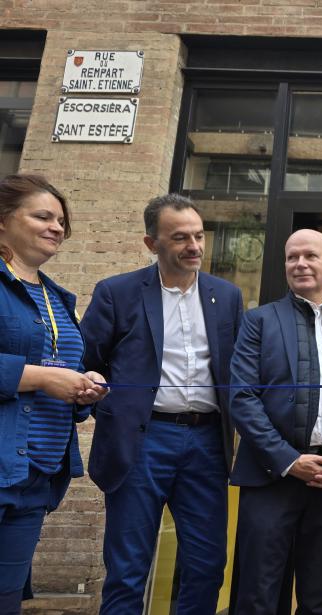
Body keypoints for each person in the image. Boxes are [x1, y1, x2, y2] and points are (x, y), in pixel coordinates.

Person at [81, 194, 243, 614]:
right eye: (180, 238)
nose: (194, 246)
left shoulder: (226, 297)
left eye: (199, 235)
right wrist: (116, 411)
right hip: (142, 441)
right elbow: (85, 367)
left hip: (207, 443)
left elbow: (240, 371)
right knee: (128, 568)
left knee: (207, 564)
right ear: (151, 244)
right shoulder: (117, 293)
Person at [230, 229, 322, 614]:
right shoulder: (258, 322)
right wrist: (289, 460)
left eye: (310, 256)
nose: (300, 263)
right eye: (292, 257)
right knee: (258, 592)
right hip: (270, 478)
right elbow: (242, 398)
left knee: (319, 594)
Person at [0, 174, 108, 615]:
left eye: (61, 220)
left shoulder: (58, 298)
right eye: (42, 216)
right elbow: (42, 375)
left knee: (7, 598)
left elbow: (59, 371)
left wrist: (81, 387)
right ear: (3, 221)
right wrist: (43, 378)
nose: (57, 227)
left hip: (36, 474)